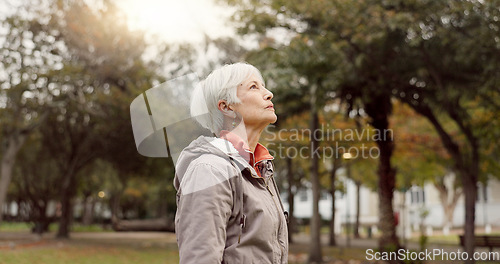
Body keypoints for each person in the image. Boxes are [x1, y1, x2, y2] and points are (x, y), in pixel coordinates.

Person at [173, 62, 288, 263]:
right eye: (254, 87)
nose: (268, 93)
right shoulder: (210, 170)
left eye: (264, 86)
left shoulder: (260, 169)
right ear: (226, 107)